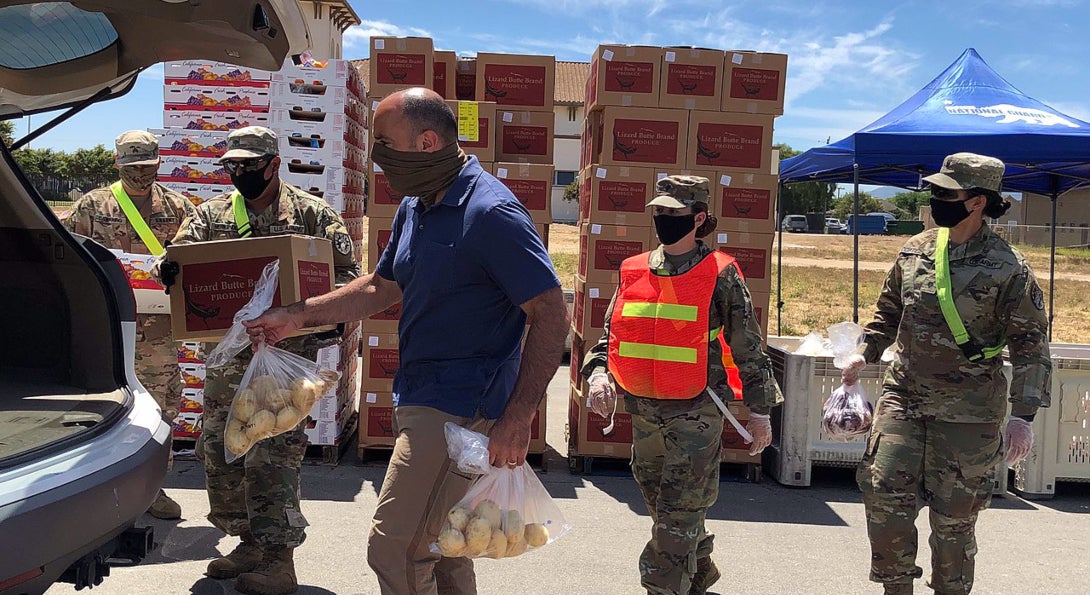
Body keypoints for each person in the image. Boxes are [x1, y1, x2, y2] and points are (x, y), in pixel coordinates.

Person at [242, 88, 570, 595]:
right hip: (422, 393)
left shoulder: (490, 214)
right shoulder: (418, 204)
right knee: (444, 546)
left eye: (385, 142)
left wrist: (519, 416)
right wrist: (295, 316)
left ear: (427, 141)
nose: (377, 156)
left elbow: (550, 314)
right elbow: (381, 285)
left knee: (394, 547)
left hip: (462, 406)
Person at [842, 153, 1052, 595]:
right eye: (934, 191)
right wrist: (865, 352)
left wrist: (1023, 417)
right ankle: (895, 587)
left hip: (969, 412)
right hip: (904, 397)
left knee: (954, 519)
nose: (935, 199)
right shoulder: (914, 250)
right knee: (883, 495)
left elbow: (1032, 348)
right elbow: (887, 314)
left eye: (946, 193)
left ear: (977, 202)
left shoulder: (1008, 267)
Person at [164, 126, 360, 595]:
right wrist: (170, 271)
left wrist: (313, 321)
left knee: (272, 459)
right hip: (228, 368)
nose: (240, 174)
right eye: (232, 167)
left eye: (249, 166)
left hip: (285, 371)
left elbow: (348, 280)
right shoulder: (210, 216)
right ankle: (249, 542)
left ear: (274, 164)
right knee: (221, 454)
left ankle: (279, 559)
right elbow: (181, 263)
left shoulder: (313, 216)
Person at [580, 175, 784, 595]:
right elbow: (611, 337)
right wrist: (599, 373)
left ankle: (661, 585)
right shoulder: (633, 270)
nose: (664, 219)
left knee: (677, 515)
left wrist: (761, 412)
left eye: (675, 213)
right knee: (667, 510)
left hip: (696, 413)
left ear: (699, 218)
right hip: (645, 414)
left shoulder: (721, 274)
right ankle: (700, 570)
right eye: (660, 212)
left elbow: (749, 346)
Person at [62, 129, 198, 520]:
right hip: (106, 327)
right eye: (133, 167)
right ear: (118, 164)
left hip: (158, 330)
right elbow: (72, 259)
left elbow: (193, 260)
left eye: (148, 166)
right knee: (104, 407)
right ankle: (97, 490)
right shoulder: (93, 205)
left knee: (159, 406)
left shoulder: (178, 207)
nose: (141, 174)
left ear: (158, 162)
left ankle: (152, 487)